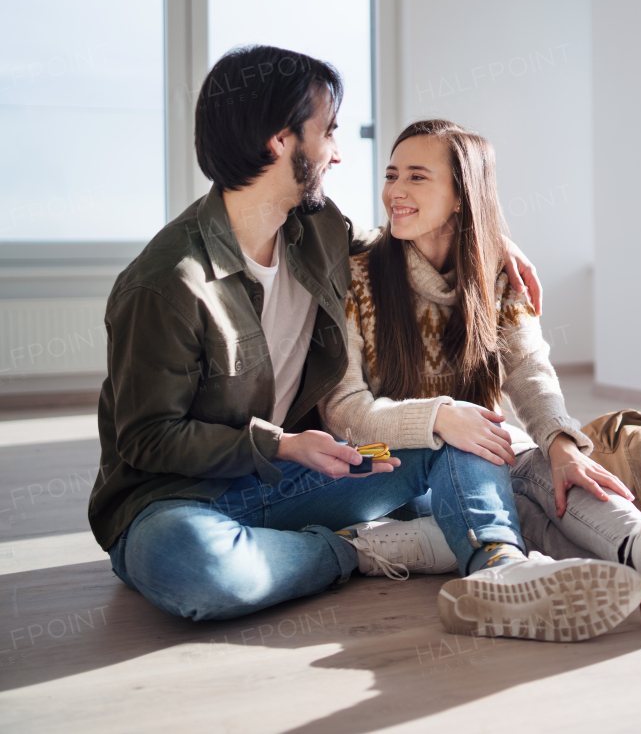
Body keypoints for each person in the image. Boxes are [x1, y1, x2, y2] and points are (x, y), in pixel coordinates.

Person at [86, 45, 597, 630]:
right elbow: (149, 441)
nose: (336, 153)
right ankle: (360, 549)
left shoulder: (319, 231)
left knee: (456, 426)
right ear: (280, 142)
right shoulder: (166, 283)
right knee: (195, 565)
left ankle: (498, 570)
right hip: (179, 504)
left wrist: (485, 244)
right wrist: (280, 444)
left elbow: (401, 247)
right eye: (328, 131)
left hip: (300, 477)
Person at [320, 120, 641, 636]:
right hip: (389, 470)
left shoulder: (493, 274)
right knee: (502, 466)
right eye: (391, 174)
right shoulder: (358, 275)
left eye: (417, 177)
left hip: (478, 458)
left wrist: (563, 445)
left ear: (460, 198)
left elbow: (528, 368)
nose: (395, 191)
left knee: (546, 474)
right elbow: (345, 411)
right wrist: (441, 420)